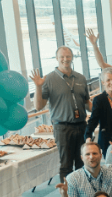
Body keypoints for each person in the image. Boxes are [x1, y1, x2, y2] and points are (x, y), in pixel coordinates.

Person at [30, 46, 90, 181]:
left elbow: (87, 102)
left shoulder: (80, 78)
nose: (65, 59)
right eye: (62, 57)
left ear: (72, 57)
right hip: (62, 127)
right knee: (66, 165)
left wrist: (103, 106)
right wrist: (38, 86)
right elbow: (38, 106)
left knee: (83, 161)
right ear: (56, 58)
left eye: (68, 56)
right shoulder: (49, 79)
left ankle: (83, 192)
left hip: (82, 125)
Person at [84, 67, 112, 155]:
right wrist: (88, 136)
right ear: (103, 82)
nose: (111, 82)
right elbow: (93, 120)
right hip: (110, 141)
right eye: (108, 80)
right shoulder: (99, 99)